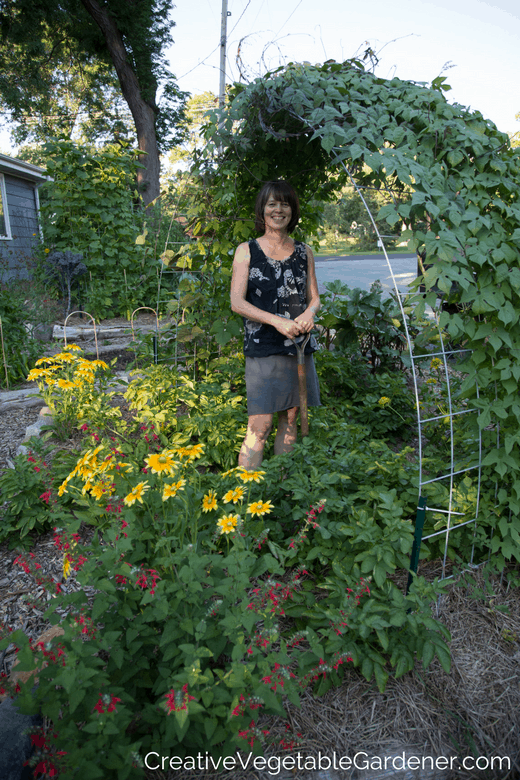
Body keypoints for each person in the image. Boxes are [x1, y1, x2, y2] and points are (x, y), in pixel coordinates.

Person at [230, 179, 321, 469]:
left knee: (291, 418)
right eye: (272, 204)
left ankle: (280, 491)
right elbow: (237, 302)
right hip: (263, 347)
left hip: (298, 346)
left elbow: (314, 299)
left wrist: (309, 314)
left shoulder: (305, 252)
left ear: (293, 210)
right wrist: (276, 321)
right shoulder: (247, 251)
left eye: (284, 204)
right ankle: (244, 499)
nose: (278, 210)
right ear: (262, 210)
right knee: (260, 424)